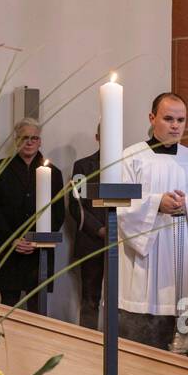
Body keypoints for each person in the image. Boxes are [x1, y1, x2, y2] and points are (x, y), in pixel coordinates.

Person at [117, 92, 188, 355]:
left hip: (184, 260)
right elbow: (118, 206)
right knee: (142, 351)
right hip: (144, 266)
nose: (175, 125)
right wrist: (155, 203)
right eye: (168, 118)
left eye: (181, 120)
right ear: (152, 118)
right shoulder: (130, 158)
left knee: (187, 353)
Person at [0, 118, 64, 308]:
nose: (29, 142)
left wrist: (38, 239)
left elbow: (58, 212)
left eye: (34, 138)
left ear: (40, 141)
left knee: (38, 306)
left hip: (40, 252)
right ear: (16, 140)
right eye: (24, 137)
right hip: (9, 248)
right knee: (8, 305)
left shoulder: (54, 172)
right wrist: (12, 239)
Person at [68, 127, 104, 329]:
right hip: (92, 241)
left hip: (124, 240)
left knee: (124, 300)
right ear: (97, 137)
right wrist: (100, 230)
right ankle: (88, 343)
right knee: (90, 297)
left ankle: (123, 345)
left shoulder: (130, 164)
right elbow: (76, 204)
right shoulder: (83, 166)